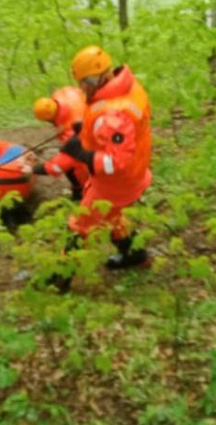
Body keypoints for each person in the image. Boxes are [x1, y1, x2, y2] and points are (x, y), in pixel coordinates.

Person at [40, 45, 152, 285]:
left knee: (81, 225)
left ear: (101, 77)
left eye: (85, 82)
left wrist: (83, 153)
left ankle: (60, 278)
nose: (82, 88)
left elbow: (116, 162)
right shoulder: (128, 88)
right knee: (113, 216)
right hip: (134, 173)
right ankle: (134, 254)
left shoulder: (113, 116)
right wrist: (87, 133)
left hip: (116, 182)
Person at [31, 85, 88, 201]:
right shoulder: (61, 94)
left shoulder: (71, 134)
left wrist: (35, 169)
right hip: (90, 118)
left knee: (75, 167)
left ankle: (81, 190)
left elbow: (60, 165)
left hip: (89, 138)